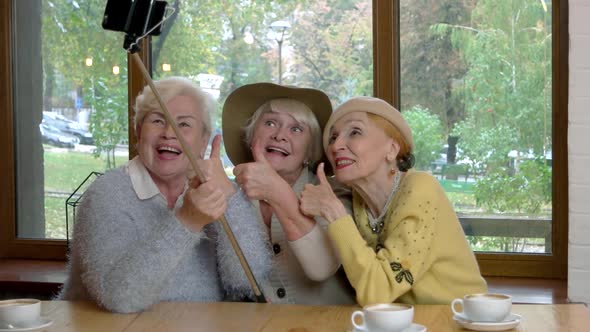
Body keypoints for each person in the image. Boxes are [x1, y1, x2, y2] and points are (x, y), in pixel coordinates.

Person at [58, 77, 268, 313]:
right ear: (138, 131)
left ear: (203, 141)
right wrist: (188, 221)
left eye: (184, 124)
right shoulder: (107, 193)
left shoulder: (213, 191)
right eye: (158, 120)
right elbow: (119, 299)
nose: (169, 133)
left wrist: (228, 196)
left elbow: (247, 282)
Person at [299, 96, 487, 306]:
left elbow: (376, 292)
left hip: (460, 320)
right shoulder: (360, 204)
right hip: (408, 322)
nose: (336, 146)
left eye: (355, 132)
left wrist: (333, 212)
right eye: (333, 137)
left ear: (392, 149)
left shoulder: (421, 189)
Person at [215, 83, 355, 304]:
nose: (280, 135)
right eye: (270, 123)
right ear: (252, 137)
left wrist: (277, 192)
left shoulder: (335, 194)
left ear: (310, 151)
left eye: (296, 129)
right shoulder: (230, 196)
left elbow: (322, 267)